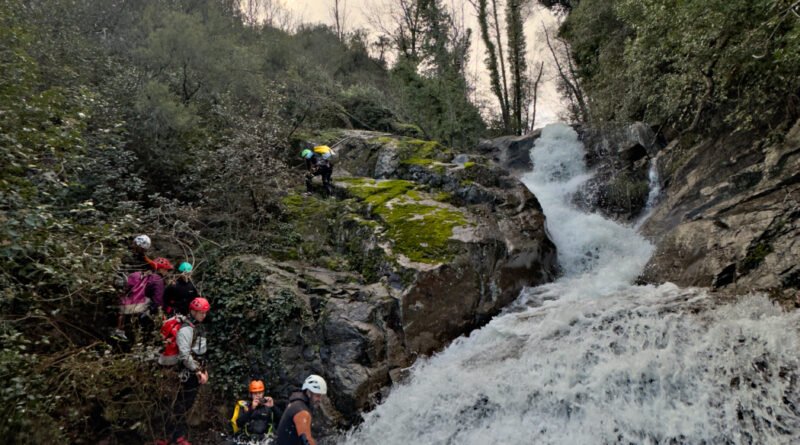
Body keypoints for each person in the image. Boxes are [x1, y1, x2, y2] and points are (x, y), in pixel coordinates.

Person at [164, 297, 210, 445]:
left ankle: (175, 436)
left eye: (205, 312)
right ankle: (175, 437)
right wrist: (197, 370)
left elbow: (200, 352)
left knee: (184, 405)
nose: (203, 315)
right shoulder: (186, 329)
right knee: (182, 406)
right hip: (188, 373)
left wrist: (204, 370)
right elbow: (185, 355)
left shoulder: (197, 326)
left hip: (196, 370)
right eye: (200, 312)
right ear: (193, 312)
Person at [112, 256, 172, 341]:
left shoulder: (142, 274)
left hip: (126, 307)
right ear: (161, 269)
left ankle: (119, 330)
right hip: (139, 310)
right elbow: (158, 301)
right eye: (166, 269)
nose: (167, 272)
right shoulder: (158, 280)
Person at [275, 374, 327, 445]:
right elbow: (306, 441)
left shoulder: (296, 403)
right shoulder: (302, 412)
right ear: (308, 393)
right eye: (317, 396)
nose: (319, 400)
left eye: (321, 396)